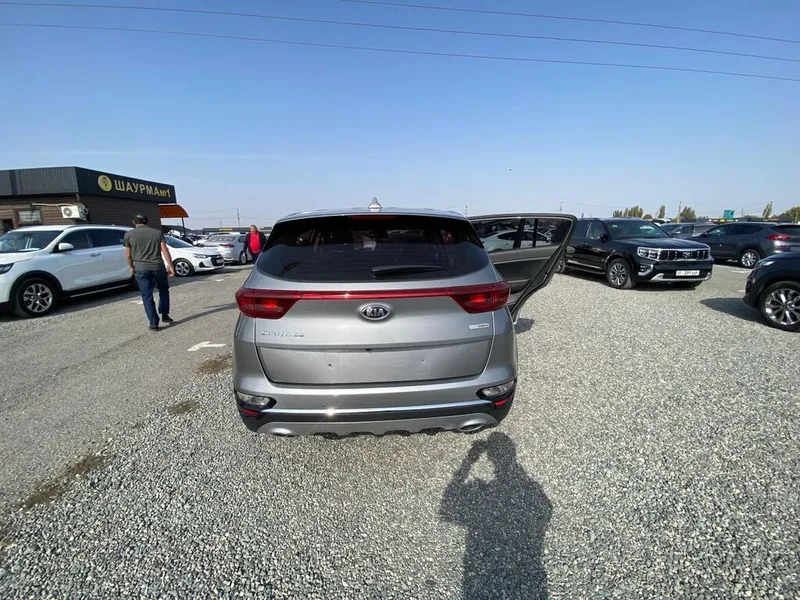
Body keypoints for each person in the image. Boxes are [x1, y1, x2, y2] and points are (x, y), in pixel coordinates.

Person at [124, 214, 175, 330]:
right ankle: (165, 314)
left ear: (134, 222)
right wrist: (171, 266)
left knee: (147, 295)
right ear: (147, 221)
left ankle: (153, 323)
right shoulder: (157, 233)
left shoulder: (129, 235)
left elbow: (128, 255)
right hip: (158, 266)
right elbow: (164, 250)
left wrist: (131, 267)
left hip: (141, 268)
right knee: (163, 290)